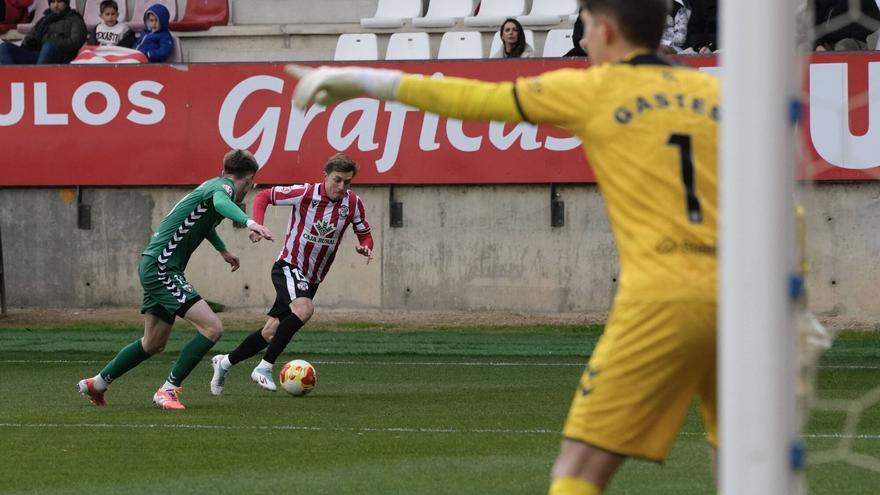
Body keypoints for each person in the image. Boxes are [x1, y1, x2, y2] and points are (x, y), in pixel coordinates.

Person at [284, 0, 719, 493]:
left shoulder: (593, 88)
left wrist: (360, 80)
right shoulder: (716, 92)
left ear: (606, 30)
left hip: (664, 302)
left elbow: (471, 99)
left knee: (579, 470)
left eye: (586, 29)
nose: (582, 39)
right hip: (748, 303)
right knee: (748, 461)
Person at [77, 149, 274, 410]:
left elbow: (203, 223)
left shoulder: (211, 187)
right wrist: (250, 222)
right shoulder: (222, 189)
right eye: (252, 184)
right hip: (162, 268)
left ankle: (98, 383)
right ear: (249, 179)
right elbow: (221, 202)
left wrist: (222, 250)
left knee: (153, 343)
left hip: (156, 265)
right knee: (212, 328)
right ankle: (167, 390)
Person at [210, 153, 373, 395]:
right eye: (337, 180)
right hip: (289, 265)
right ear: (325, 175)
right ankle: (264, 367)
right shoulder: (305, 193)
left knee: (270, 331)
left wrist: (366, 246)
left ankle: (224, 363)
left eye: (347, 182)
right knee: (304, 310)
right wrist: (257, 224)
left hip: (312, 278)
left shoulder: (353, 204)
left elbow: (365, 233)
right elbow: (264, 196)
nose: (341, 187)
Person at [0, 0, 85, 64]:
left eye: (59, 2)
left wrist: (51, 42)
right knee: (5, 48)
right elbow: (30, 37)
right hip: (38, 54)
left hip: (60, 56)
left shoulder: (75, 19)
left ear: (66, 3)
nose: (55, 5)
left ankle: (37, 79)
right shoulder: (44, 20)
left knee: (48, 47)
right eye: (52, 2)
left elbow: (75, 41)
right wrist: (30, 42)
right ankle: (8, 81)